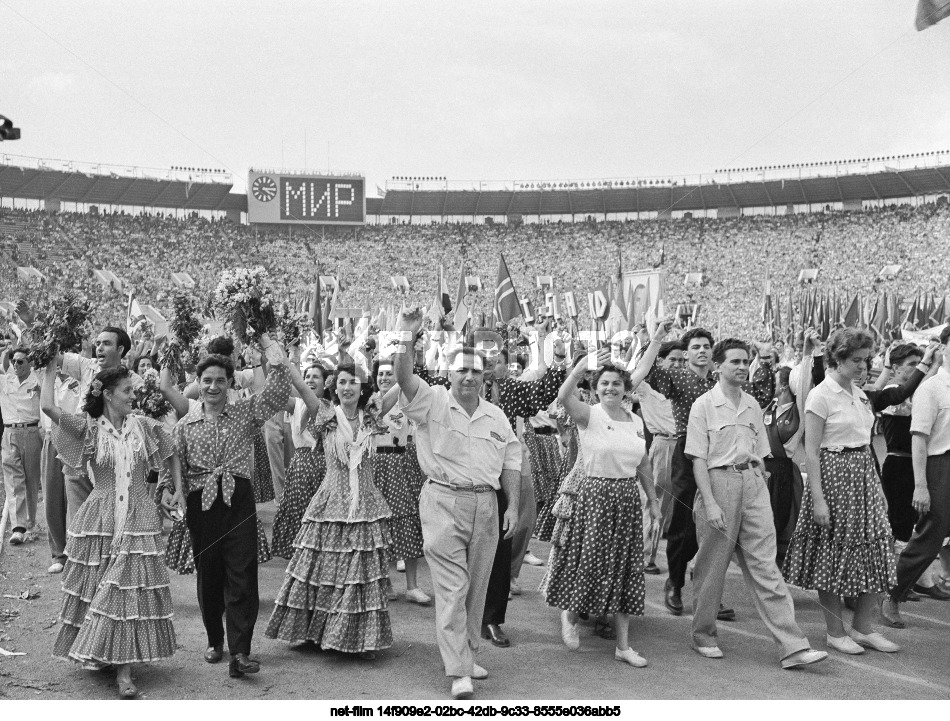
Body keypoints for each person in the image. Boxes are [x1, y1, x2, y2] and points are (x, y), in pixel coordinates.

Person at [393, 309, 522, 701]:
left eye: (476, 372)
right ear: (448, 374)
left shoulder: (497, 416)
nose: (469, 377)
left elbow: (511, 461)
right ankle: (459, 671)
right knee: (452, 588)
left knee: (476, 590)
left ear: (485, 377)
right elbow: (402, 376)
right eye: (462, 370)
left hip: (486, 505)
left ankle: (466, 654)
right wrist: (405, 335)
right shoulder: (430, 401)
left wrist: (512, 505)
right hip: (442, 501)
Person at [41, 359, 184, 699]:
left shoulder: (143, 425)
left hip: (138, 515)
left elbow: (170, 452)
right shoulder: (88, 427)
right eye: (127, 391)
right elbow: (47, 406)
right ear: (107, 394)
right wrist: (49, 365)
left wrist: (175, 488)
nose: (133, 396)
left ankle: (124, 671)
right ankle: (106, 651)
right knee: (100, 583)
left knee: (125, 587)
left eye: (133, 390)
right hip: (101, 515)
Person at [686, 338, 827, 669]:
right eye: (733, 361)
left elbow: (761, 452)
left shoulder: (752, 404)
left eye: (744, 361)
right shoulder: (703, 405)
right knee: (712, 565)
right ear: (717, 366)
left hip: (752, 484)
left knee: (765, 563)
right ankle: (703, 633)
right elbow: (698, 459)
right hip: (717, 483)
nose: (740, 366)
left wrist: (759, 483)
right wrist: (711, 502)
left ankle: (792, 645)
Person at [161, 336, 291, 678]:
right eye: (207, 381)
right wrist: (169, 492)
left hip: (238, 499)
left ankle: (241, 651)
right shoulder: (184, 425)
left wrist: (271, 351)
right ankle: (214, 640)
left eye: (221, 380)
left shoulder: (246, 412)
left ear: (231, 384)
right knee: (210, 574)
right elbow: (172, 465)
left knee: (243, 573)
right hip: (202, 504)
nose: (214, 386)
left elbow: (277, 394)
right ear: (198, 385)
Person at [265, 362, 399, 656]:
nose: (348, 387)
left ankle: (356, 636)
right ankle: (316, 631)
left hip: (364, 504)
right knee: (322, 570)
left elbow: (402, 380)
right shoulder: (326, 414)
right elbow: (300, 385)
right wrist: (277, 353)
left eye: (354, 382)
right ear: (333, 387)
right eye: (342, 382)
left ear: (363, 387)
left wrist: (407, 338)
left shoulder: (372, 415)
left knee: (359, 573)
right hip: (330, 502)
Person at [783, 328, 899, 655]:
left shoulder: (859, 394)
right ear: (838, 358)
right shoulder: (821, 396)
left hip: (863, 478)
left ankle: (863, 629)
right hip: (833, 479)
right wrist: (818, 498)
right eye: (857, 361)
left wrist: (876, 490)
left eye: (867, 360)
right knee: (830, 556)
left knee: (876, 549)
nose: (864, 367)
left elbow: (864, 444)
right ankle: (835, 632)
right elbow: (813, 450)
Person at [543, 347, 661, 668]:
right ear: (595, 388)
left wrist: (653, 501)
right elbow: (563, 397)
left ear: (626, 389)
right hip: (594, 494)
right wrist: (579, 369)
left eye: (617, 384)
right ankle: (569, 616)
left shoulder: (636, 420)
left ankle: (623, 645)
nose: (610, 388)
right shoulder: (589, 415)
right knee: (589, 560)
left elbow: (644, 463)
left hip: (626, 498)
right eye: (604, 383)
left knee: (625, 567)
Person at [645, 328, 774, 618]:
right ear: (686, 353)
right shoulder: (678, 377)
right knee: (684, 522)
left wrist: (764, 357)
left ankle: (709, 593)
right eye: (695, 347)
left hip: (721, 457)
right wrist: (653, 341)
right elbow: (648, 374)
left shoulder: (728, 380)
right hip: (687, 454)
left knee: (721, 525)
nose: (701, 350)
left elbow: (765, 392)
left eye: (706, 346)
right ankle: (675, 583)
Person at [882, 327, 950, 627]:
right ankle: (894, 593)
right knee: (930, 536)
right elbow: (919, 437)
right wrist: (921, 485)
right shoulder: (931, 388)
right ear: (943, 348)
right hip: (940, 464)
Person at [60, 327, 145, 534]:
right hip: (82, 448)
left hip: (115, 457)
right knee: (80, 519)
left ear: (121, 349)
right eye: (97, 343)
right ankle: (79, 562)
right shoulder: (85, 366)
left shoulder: (134, 381)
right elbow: (54, 357)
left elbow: (139, 419)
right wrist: (29, 324)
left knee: (114, 520)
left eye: (106, 343)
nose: (99, 348)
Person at [370, 357, 431, 604]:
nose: (384, 378)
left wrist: (404, 363)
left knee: (407, 523)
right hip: (375, 465)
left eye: (389, 374)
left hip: (403, 462)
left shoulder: (406, 399)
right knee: (378, 525)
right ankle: (384, 581)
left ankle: (412, 586)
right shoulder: (371, 401)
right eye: (380, 374)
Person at [633, 339, 684, 574]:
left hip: (688, 445)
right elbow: (637, 371)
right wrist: (649, 344)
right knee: (654, 502)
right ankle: (646, 557)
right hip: (664, 445)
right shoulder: (645, 386)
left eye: (680, 360)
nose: (677, 364)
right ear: (659, 361)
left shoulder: (686, 385)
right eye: (672, 359)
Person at [270, 361, 328, 559]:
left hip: (328, 465)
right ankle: (301, 556)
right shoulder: (297, 404)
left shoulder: (332, 406)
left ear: (326, 381)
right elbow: (275, 394)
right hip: (302, 467)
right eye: (307, 376)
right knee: (299, 511)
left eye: (316, 376)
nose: (311, 380)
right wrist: (270, 363)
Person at [0, 347, 42, 546]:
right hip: (9, 432)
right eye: (13, 361)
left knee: (31, 479)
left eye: (20, 361)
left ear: (30, 363)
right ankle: (18, 527)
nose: (16, 365)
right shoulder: (4, 381)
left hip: (32, 432)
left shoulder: (37, 379)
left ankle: (31, 523)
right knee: (13, 478)